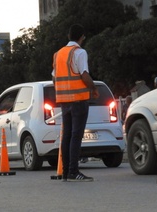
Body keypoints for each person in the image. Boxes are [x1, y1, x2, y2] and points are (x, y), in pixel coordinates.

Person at [52, 24, 99, 182]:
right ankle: (73, 171)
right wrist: (93, 88)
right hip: (79, 99)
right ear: (82, 37)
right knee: (76, 136)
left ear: (68, 36)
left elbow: (54, 78)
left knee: (67, 136)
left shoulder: (58, 54)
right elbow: (84, 75)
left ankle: (66, 172)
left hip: (64, 101)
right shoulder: (79, 52)